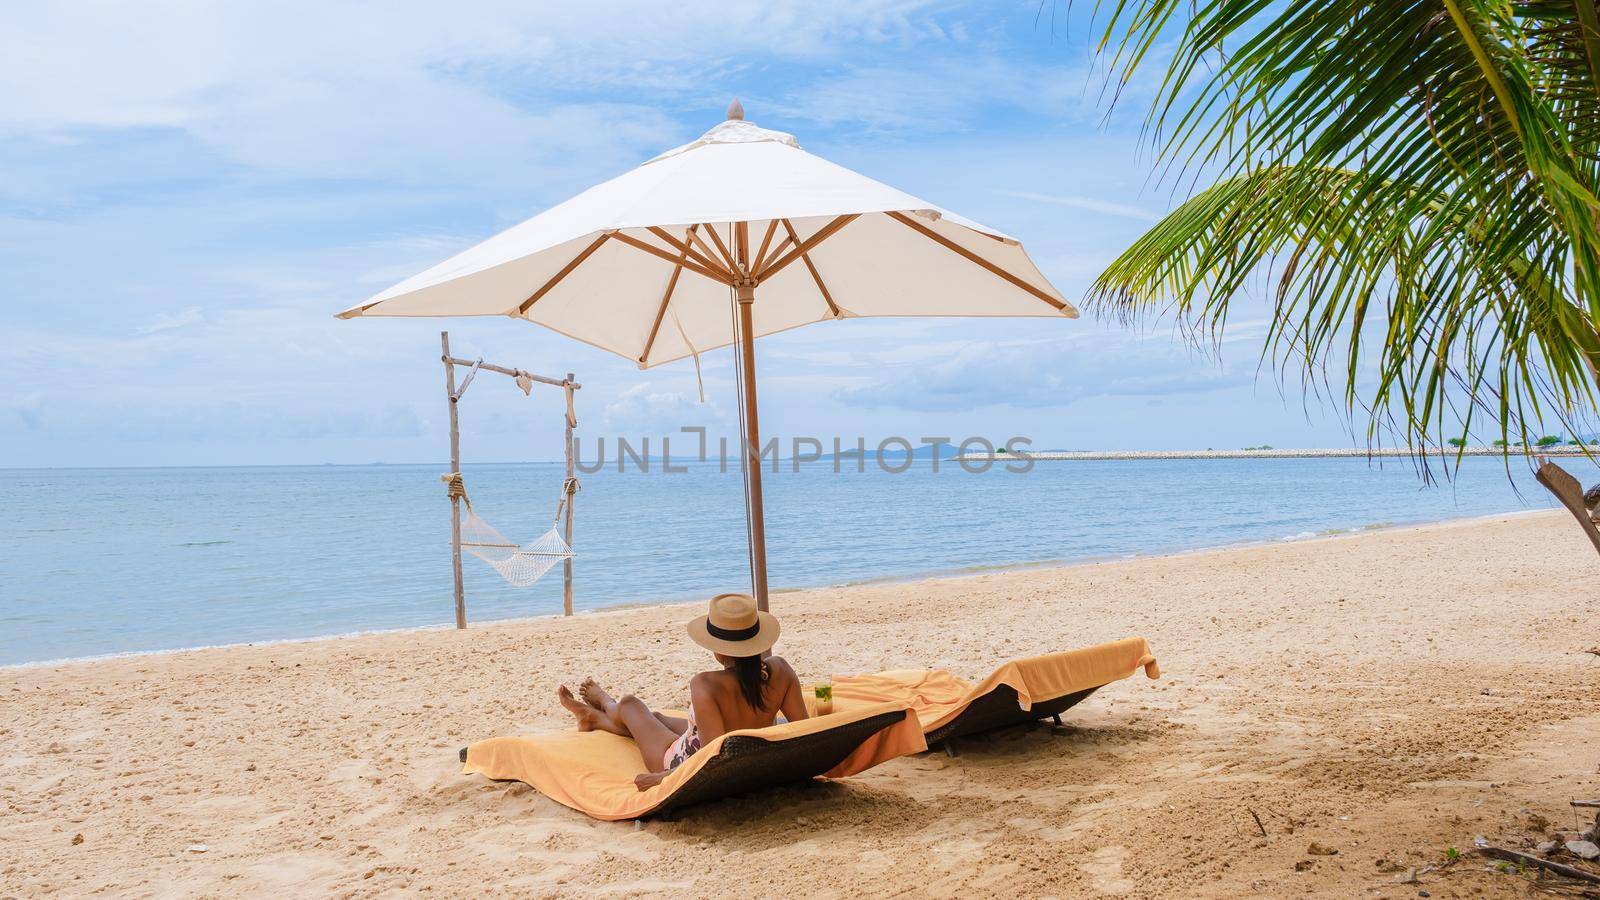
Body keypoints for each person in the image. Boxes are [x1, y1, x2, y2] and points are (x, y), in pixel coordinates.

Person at [557, 592, 809, 790]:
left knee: (631, 704)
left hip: (683, 760)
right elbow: (805, 733)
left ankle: (607, 704)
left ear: (717, 649)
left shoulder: (706, 684)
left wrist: (661, 779)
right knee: (655, 717)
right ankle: (593, 719)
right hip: (743, 746)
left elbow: (712, 760)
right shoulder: (782, 670)